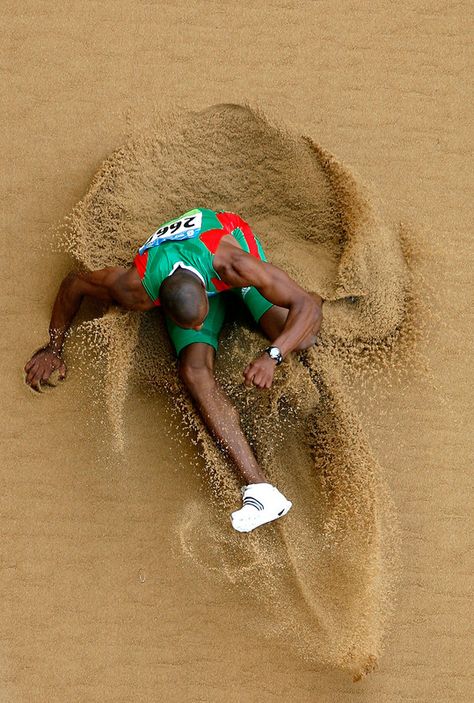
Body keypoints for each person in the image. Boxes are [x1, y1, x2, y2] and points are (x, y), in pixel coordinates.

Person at [24, 207, 323, 532]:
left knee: (300, 337)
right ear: (159, 306)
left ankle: (319, 309)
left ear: (209, 298)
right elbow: (74, 284)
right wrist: (53, 347)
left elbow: (302, 305)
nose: (197, 330)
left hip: (221, 246)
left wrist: (272, 355)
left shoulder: (234, 264)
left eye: (199, 322)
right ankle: (260, 491)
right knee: (193, 371)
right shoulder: (133, 288)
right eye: (189, 326)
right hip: (180, 274)